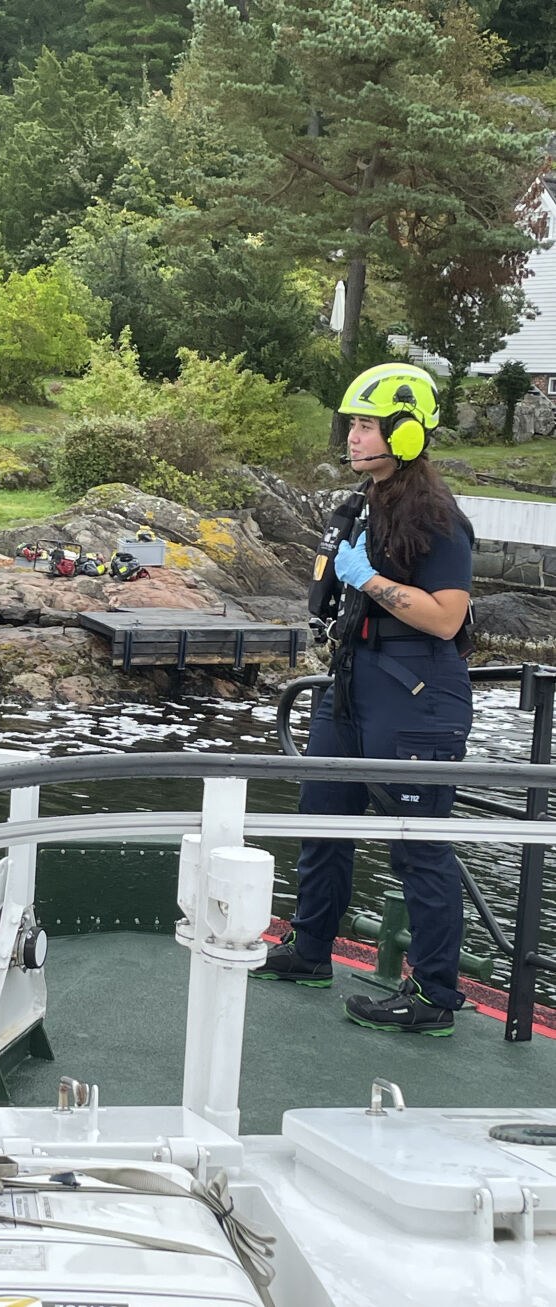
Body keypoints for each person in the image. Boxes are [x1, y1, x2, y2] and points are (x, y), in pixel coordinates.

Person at [252, 363, 473, 1038]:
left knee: (418, 848)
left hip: (415, 695)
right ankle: (310, 950)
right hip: (351, 686)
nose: (352, 436)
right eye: (351, 423)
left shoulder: (437, 518)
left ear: (405, 434)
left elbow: (445, 618)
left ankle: (434, 995)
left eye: (366, 424)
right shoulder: (362, 504)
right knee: (321, 820)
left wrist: (368, 579)